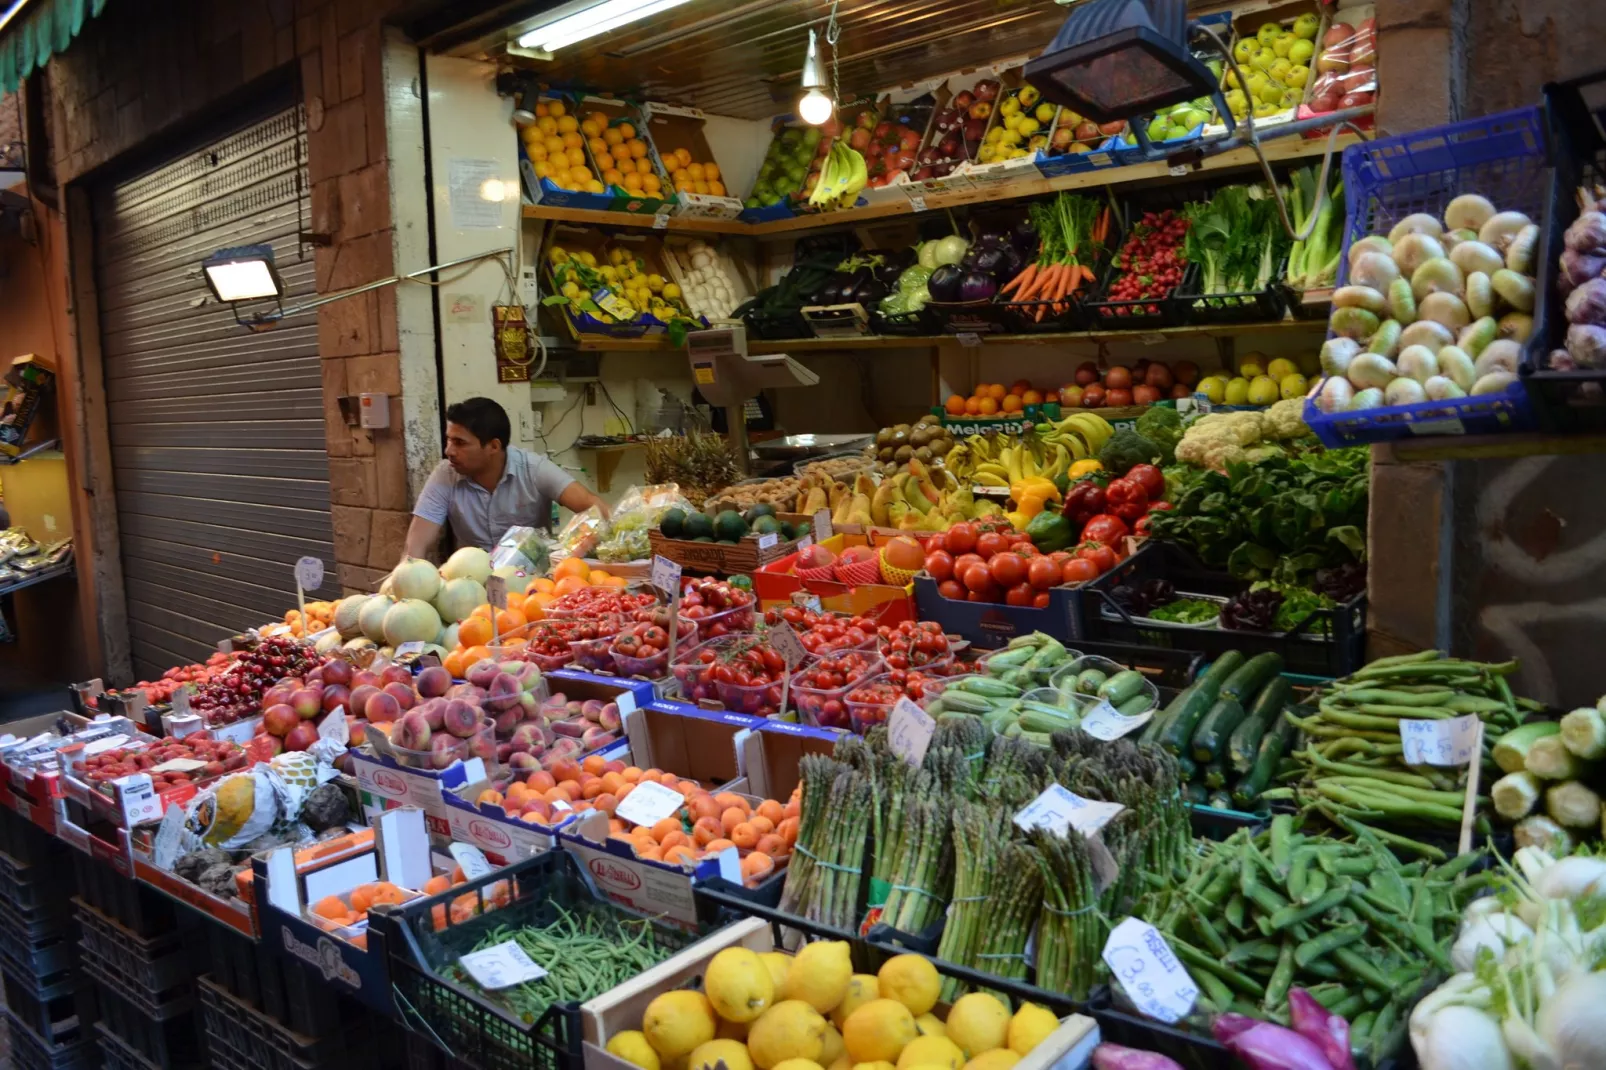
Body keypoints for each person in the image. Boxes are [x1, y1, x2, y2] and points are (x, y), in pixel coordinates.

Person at [404, 397, 607, 559]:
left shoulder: (533, 469)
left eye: (460, 443)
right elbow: (415, 546)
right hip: (472, 584)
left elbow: (596, 509)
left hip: (531, 584)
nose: (449, 451)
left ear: (494, 446)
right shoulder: (446, 474)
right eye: (449, 440)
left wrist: (575, 551)